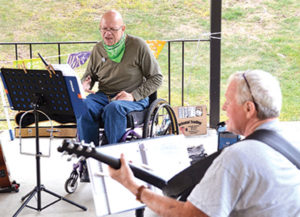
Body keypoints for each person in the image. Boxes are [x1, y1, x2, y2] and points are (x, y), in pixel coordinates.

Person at [109, 70, 300, 217]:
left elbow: (190, 214)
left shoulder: (238, 157)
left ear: (249, 108)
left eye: (228, 101)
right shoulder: (291, 143)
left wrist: (133, 186)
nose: (224, 107)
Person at [77, 10, 163, 146]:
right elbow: (90, 76)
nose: (107, 33)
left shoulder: (138, 46)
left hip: (132, 98)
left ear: (123, 29)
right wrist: (85, 84)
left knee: (113, 108)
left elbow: (157, 77)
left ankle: (114, 158)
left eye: (113, 29)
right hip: (104, 96)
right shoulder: (98, 49)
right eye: (104, 29)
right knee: (83, 106)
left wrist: (133, 96)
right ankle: (88, 156)